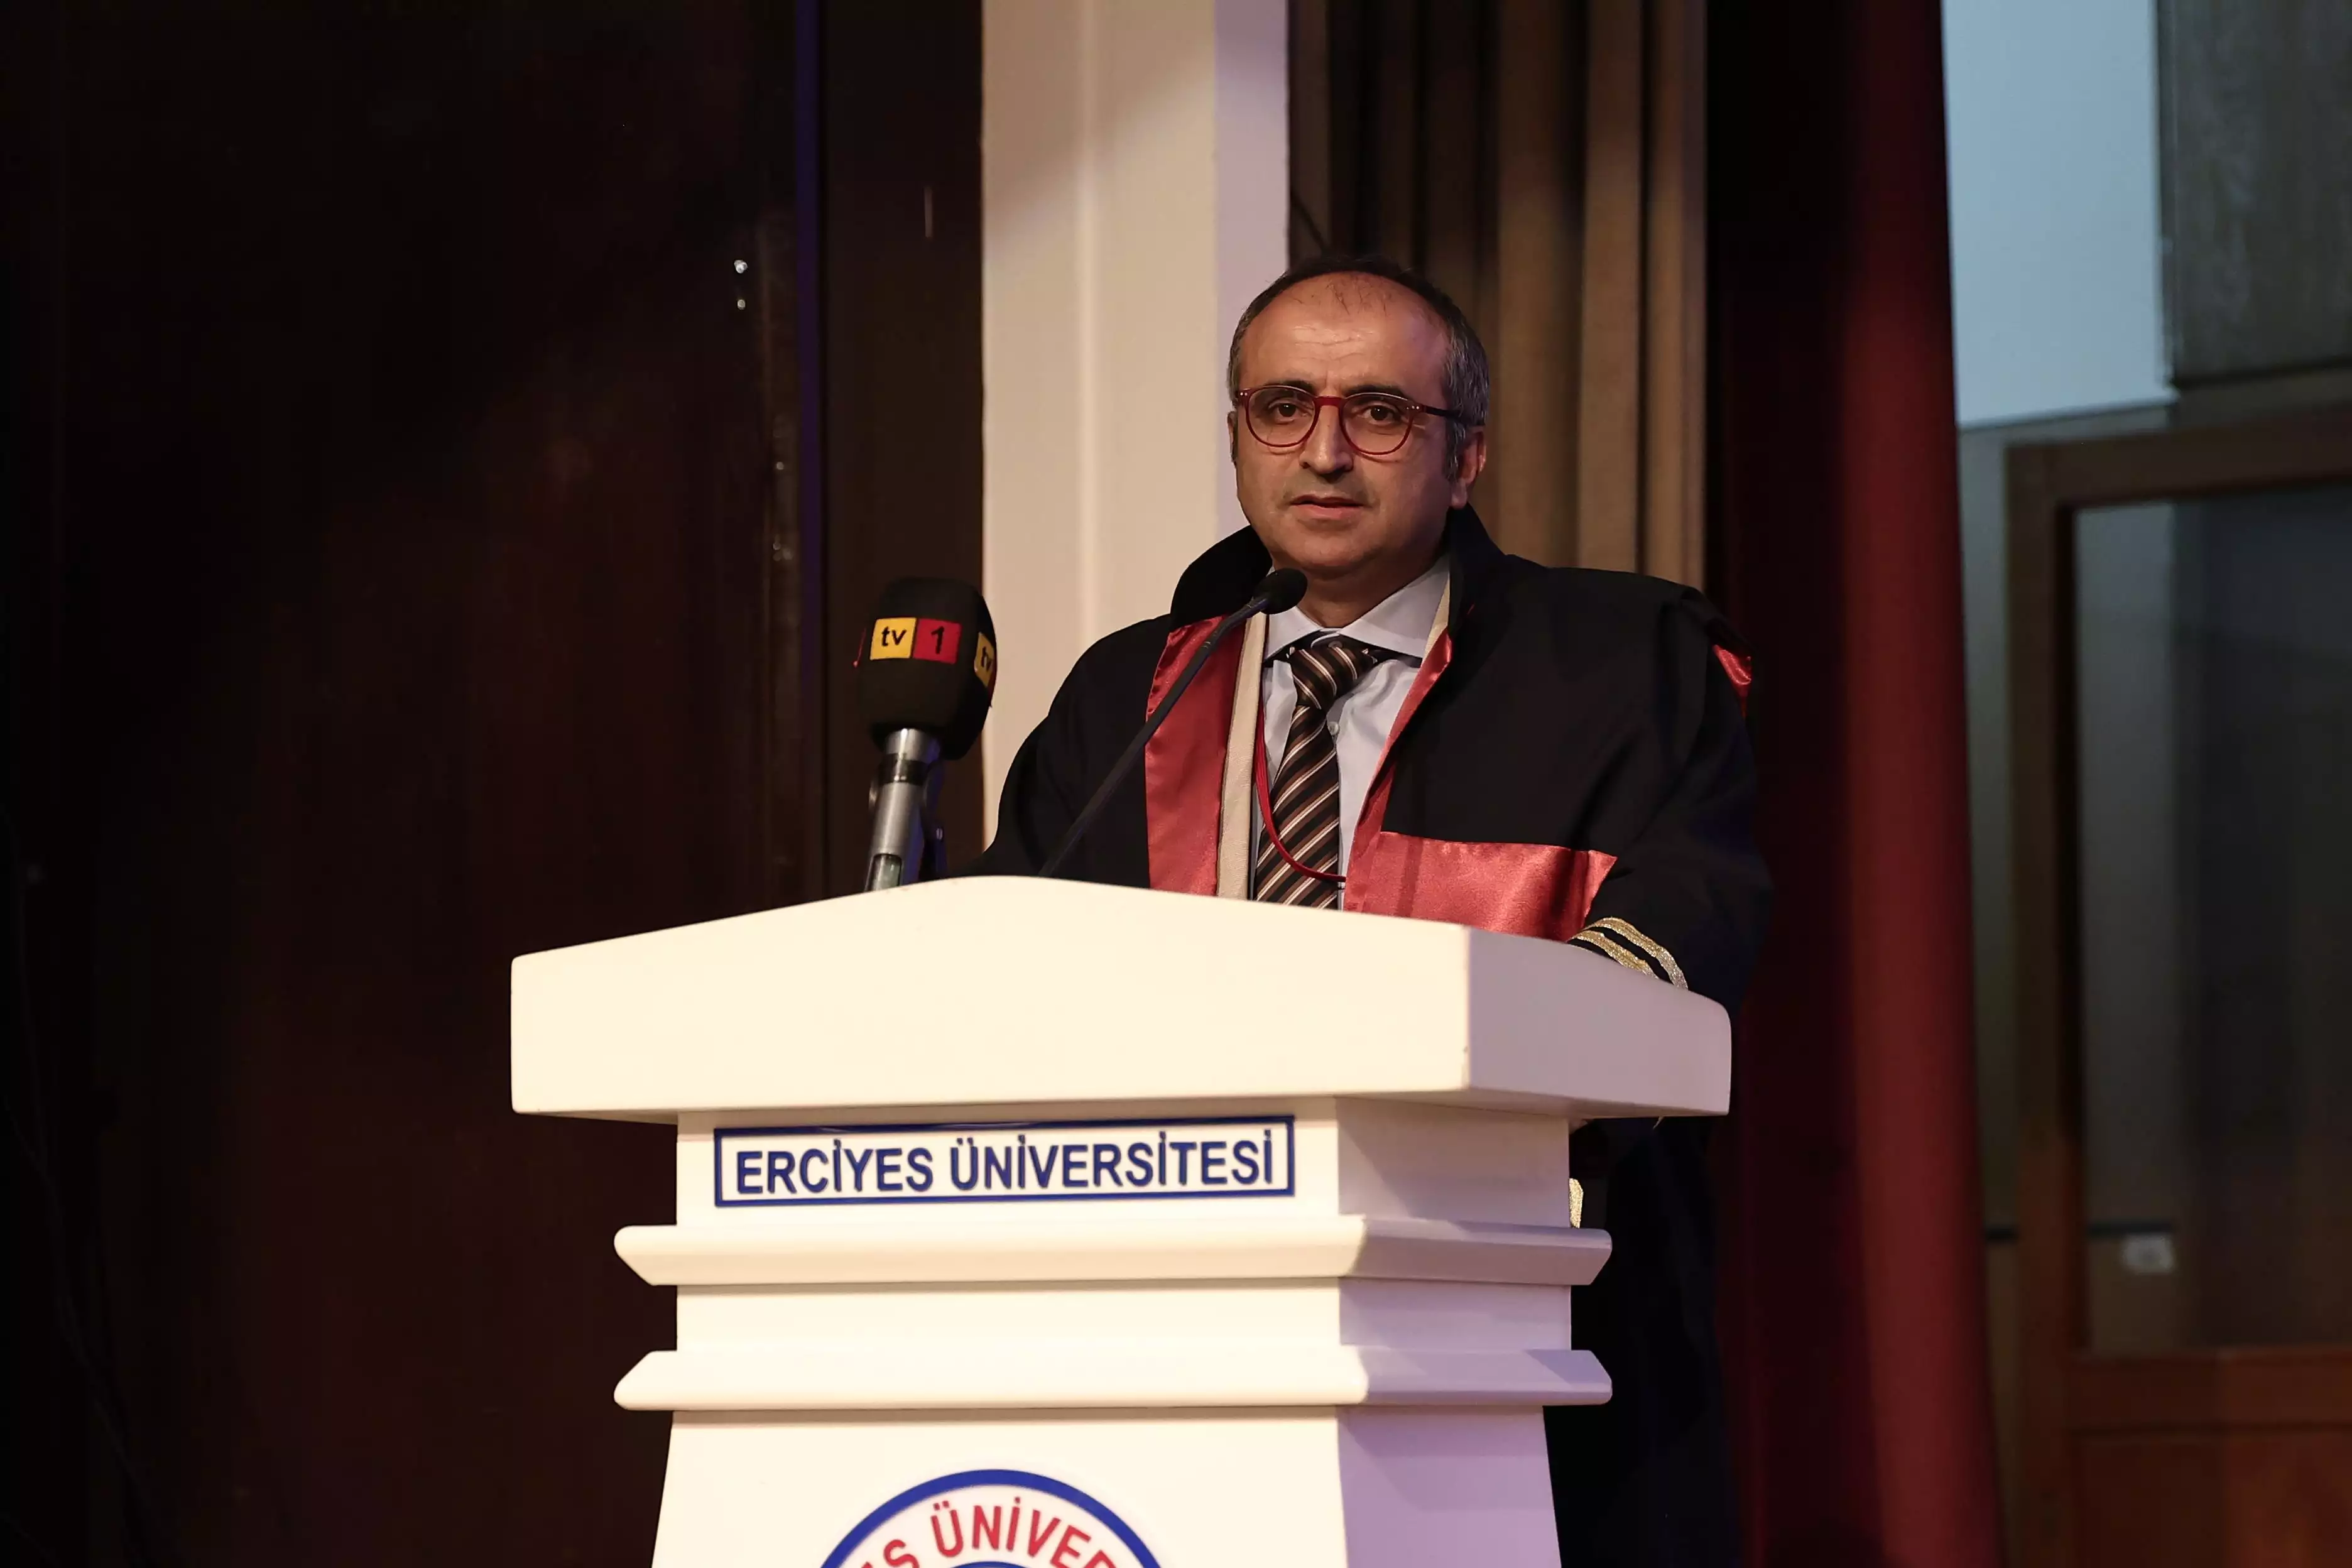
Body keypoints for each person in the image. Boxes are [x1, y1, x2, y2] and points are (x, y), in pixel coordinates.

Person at [974, 253, 1768, 1567]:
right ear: (1239, 437)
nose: (1326, 451)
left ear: (1467, 456)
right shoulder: (1130, 698)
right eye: (1283, 407)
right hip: (1176, 1321)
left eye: (1381, 413)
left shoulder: (1627, 667)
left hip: (1538, 1321)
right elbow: (1017, 968)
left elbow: (1688, 937)